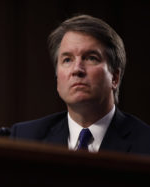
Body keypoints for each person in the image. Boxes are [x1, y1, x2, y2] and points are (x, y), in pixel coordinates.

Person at [10, 14, 150, 155]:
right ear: (57, 75)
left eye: (91, 58)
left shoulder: (145, 143)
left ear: (115, 77)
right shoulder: (25, 138)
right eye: (67, 60)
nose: (77, 69)